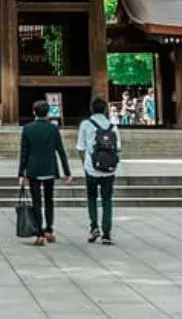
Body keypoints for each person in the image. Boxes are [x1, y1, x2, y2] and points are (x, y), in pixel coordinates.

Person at [18, 99, 71, 246]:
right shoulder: (53, 129)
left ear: (34, 112)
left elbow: (24, 153)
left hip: (33, 169)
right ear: (47, 113)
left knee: (37, 202)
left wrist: (21, 173)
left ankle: (39, 234)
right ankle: (49, 229)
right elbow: (61, 151)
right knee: (49, 200)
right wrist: (67, 172)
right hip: (49, 168)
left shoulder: (27, 129)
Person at [76, 96, 121, 245]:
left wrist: (85, 164)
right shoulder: (112, 126)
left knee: (91, 197)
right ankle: (107, 233)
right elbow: (118, 149)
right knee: (107, 200)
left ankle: (94, 226)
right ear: (105, 109)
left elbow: (80, 148)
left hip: (91, 168)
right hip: (109, 169)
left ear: (91, 109)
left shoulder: (86, 125)